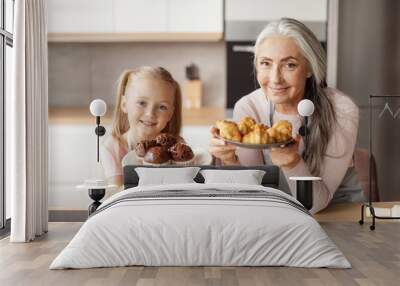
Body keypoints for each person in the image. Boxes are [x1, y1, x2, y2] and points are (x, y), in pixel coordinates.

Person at [209, 18, 364, 214]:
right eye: (265, 63)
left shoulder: (341, 110)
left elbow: (315, 204)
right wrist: (230, 160)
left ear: (309, 68)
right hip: (273, 211)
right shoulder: (248, 108)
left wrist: (292, 162)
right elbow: (253, 193)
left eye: (289, 65)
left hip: (338, 215)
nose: (275, 79)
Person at [101, 66, 182, 187]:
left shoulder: (177, 147)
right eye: (142, 103)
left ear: (170, 114)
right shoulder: (113, 148)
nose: (150, 114)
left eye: (162, 107)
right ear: (124, 104)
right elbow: (116, 194)